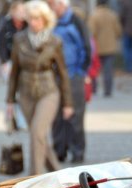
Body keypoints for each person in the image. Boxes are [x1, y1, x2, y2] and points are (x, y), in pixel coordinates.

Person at [6, 0, 72, 175]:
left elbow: (63, 73)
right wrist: (10, 101)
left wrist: (68, 103)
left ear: (45, 20)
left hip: (48, 91)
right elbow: (14, 72)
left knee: (37, 132)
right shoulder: (19, 39)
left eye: (37, 19)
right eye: (31, 18)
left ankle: (34, 178)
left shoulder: (54, 41)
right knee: (39, 138)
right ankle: (59, 175)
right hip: (26, 91)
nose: (34, 22)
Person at [47, 0, 90, 164]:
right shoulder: (50, 22)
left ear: (62, 5)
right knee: (56, 115)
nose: (52, 8)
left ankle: (77, 151)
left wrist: (81, 71)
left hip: (73, 74)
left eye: (54, 5)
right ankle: (59, 150)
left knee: (75, 115)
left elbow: (86, 47)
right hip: (55, 76)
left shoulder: (76, 21)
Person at [88, 0, 121, 97]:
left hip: (97, 47)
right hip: (110, 47)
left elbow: (91, 32)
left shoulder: (94, 16)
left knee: (94, 68)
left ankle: (94, 89)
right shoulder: (113, 15)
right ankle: (108, 90)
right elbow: (118, 31)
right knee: (108, 70)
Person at [0, 0, 27, 79]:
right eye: (20, 11)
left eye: (24, 11)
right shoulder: (5, 25)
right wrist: (4, 62)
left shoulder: (28, 25)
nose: (22, 13)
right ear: (13, 11)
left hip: (26, 60)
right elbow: (0, 44)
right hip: (10, 59)